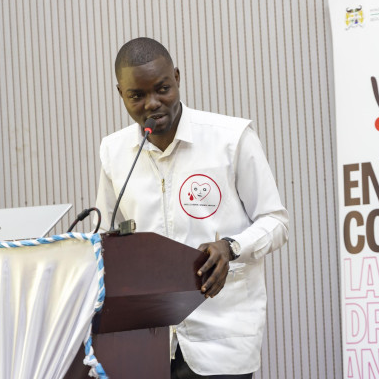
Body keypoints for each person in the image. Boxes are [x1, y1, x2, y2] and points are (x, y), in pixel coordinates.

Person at [95, 37, 289, 378]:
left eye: (162, 89)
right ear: (120, 94)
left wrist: (231, 247)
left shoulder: (231, 138)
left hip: (222, 339)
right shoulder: (114, 152)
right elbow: (104, 239)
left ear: (177, 78)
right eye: (136, 96)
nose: (152, 104)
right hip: (146, 342)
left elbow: (275, 221)